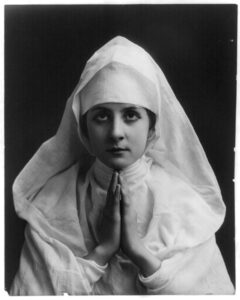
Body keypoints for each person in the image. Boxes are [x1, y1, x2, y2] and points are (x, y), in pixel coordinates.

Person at [10, 36, 234, 295]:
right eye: (101, 116)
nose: (116, 132)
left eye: (131, 115)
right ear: (84, 130)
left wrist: (138, 251)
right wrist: (102, 251)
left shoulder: (185, 205)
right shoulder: (50, 202)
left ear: (151, 128)